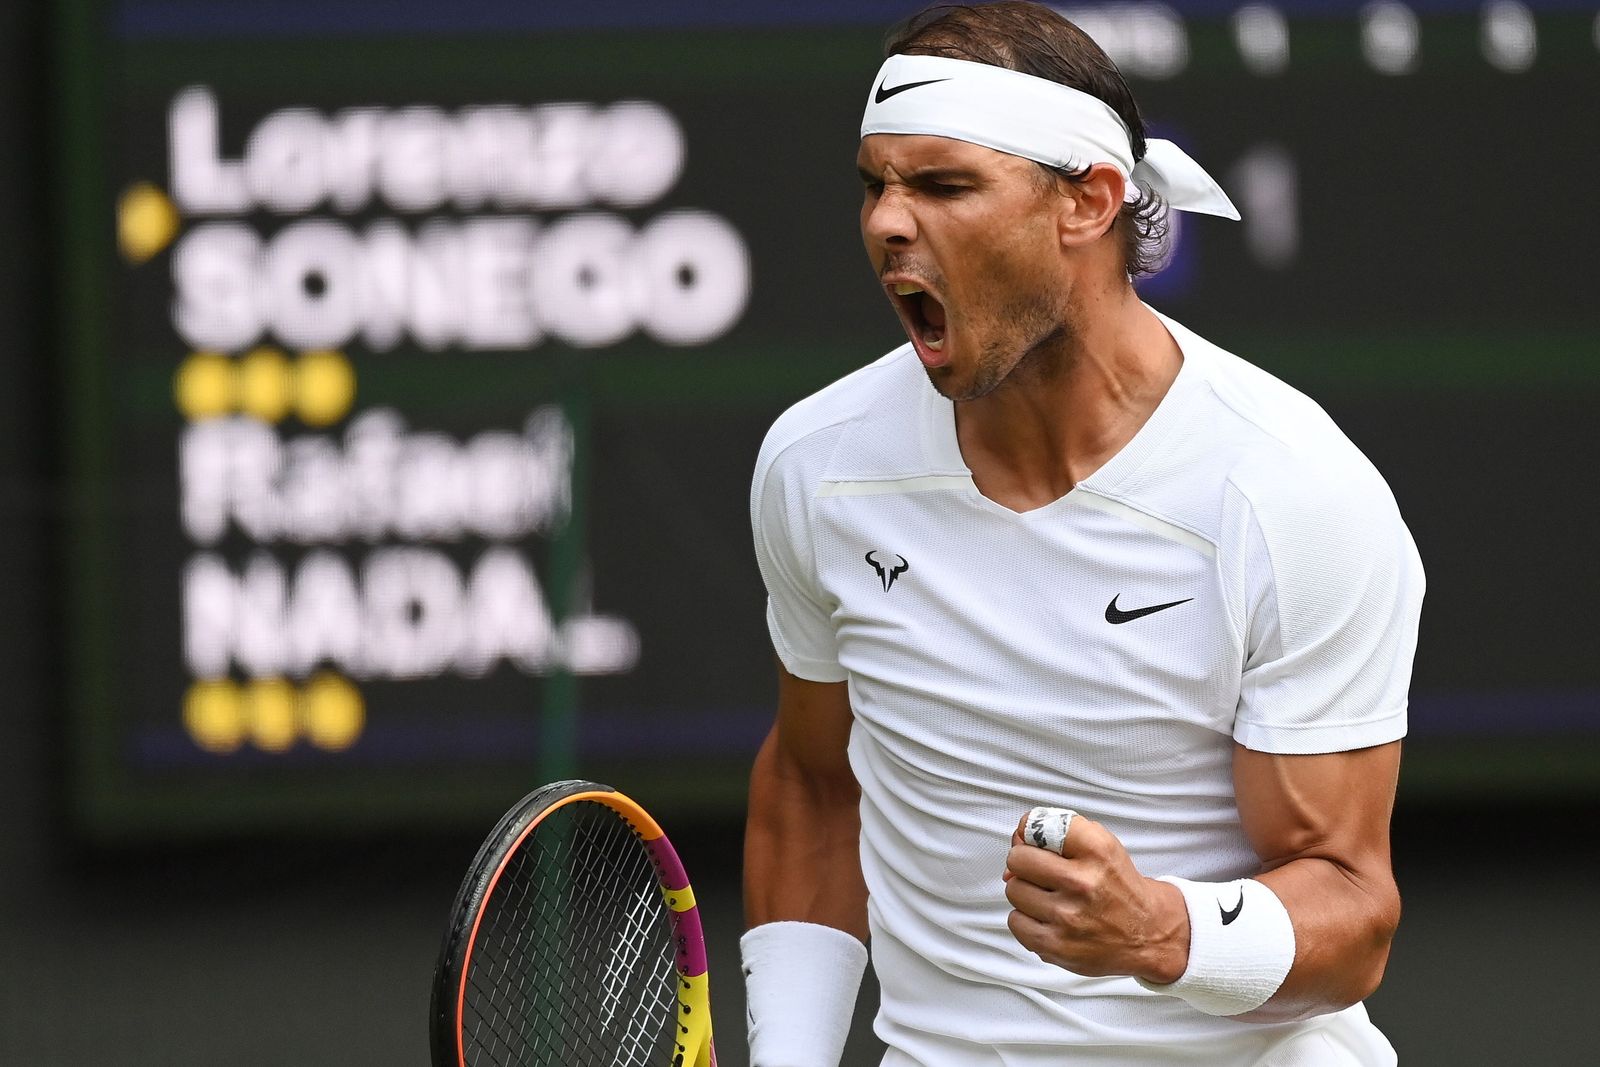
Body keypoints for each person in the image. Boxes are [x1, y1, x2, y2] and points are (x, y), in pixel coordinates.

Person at [740, 3, 1424, 1065]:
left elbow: (1353, 909)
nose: (885, 222)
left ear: (1088, 202)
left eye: (942, 184)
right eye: (876, 184)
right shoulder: (816, 464)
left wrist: (1162, 926)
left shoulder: (1292, 494)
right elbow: (813, 783)